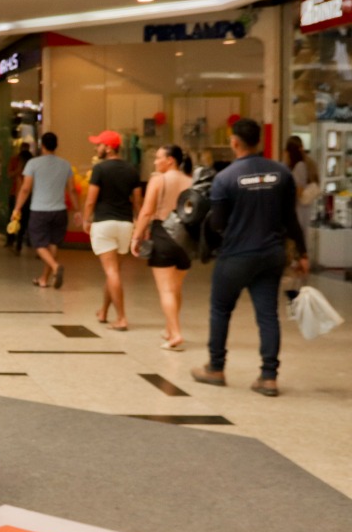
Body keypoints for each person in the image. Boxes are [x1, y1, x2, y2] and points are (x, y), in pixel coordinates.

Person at [192, 118, 310, 397]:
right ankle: (268, 377)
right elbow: (291, 219)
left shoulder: (225, 178)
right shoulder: (282, 173)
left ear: (234, 142)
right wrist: (302, 252)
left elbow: (218, 223)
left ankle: (216, 368)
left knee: (220, 309)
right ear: (259, 141)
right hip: (271, 254)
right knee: (268, 315)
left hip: (236, 255)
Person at [131, 144, 194, 350]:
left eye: (159, 158)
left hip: (163, 235)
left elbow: (147, 211)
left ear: (171, 161)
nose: (155, 162)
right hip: (186, 240)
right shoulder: (191, 181)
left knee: (166, 290)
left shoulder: (159, 180)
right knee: (175, 287)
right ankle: (169, 328)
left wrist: (136, 236)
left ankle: (175, 334)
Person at [82, 130, 143, 331]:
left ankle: (122, 318)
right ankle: (103, 312)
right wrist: (141, 226)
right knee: (113, 272)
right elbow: (137, 202)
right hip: (125, 224)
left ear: (108, 147)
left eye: (98, 144)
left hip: (104, 223)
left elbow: (91, 199)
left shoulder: (100, 169)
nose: (96, 147)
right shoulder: (132, 170)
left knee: (112, 272)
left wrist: (85, 219)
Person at [10, 132, 73, 289]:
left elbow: (25, 189)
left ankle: (55, 266)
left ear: (42, 145)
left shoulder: (33, 164)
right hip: (60, 211)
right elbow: (71, 190)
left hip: (39, 210)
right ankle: (44, 279)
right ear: (56, 145)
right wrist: (78, 210)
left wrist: (17, 208)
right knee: (52, 244)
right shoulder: (65, 164)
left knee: (38, 244)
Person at [6, 140, 33, 254]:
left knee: (23, 220)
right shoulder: (15, 160)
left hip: (24, 197)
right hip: (16, 195)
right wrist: (18, 171)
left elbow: (25, 188)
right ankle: (11, 240)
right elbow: (9, 174)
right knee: (14, 219)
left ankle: (19, 243)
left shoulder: (32, 165)